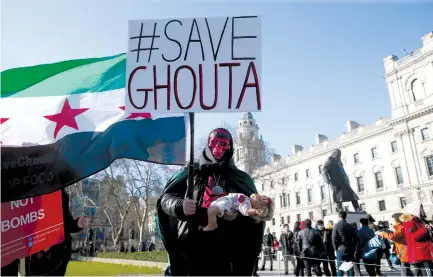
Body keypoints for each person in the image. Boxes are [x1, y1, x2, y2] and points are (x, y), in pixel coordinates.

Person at [157, 128, 264, 276]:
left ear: (230, 147)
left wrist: (239, 215)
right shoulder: (190, 172)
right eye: (214, 142)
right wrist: (179, 205)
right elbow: (165, 199)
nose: (218, 148)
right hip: (192, 248)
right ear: (208, 144)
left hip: (228, 252)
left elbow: (254, 212)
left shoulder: (240, 178)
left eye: (223, 144)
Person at [25, 189, 89, 276]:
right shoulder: (22, 191)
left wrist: (78, 224)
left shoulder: (60, 193)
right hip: (31, 255)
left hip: (57, 255)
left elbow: (66, 223)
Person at [204, 193, 273, 231]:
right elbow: (238, 204)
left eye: (260, 201)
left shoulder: (247, 203)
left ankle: (212, 225)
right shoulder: (246, 198)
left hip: (224, 205)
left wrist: (255, 211)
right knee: (211, 210)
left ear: (256, 207)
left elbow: (246, 211)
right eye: (261, 196)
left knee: (211, 211)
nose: (259, 196)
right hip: (222, 202)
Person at [400, 201, 433, 276]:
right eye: (421, 208)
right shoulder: (410, 221)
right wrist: (425, 229)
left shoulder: (417, 220)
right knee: (428, 274)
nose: (422, 210)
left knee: (421, 274)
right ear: (414, 209)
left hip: (423, 253)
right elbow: (413, 237)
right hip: (421, 253)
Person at [332, 211, 359, 277]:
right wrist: (353, 246)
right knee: (349, 267)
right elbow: (355, 238)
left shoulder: (337, 225)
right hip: (350, 248)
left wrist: (335, 248)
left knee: (340, 267)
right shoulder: (350, 226)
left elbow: (333, 239)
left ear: (339, 217)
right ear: (345, 217)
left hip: (341, 248)